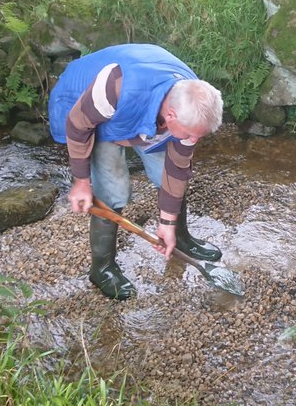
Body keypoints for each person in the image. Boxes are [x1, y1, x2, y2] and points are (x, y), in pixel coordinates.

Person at [48, 43, 224, 301]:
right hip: (88, 110)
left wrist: (167, 224)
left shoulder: (190, 102)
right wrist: (81, 181)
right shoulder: (114, 88)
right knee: (114, 191)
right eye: (190, 134)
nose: (193, 141)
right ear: (172, 115)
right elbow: (78, 126)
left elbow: (176, 169)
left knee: (168, 172)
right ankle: (102, 269)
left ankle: (180, 237)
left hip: (145, 109)